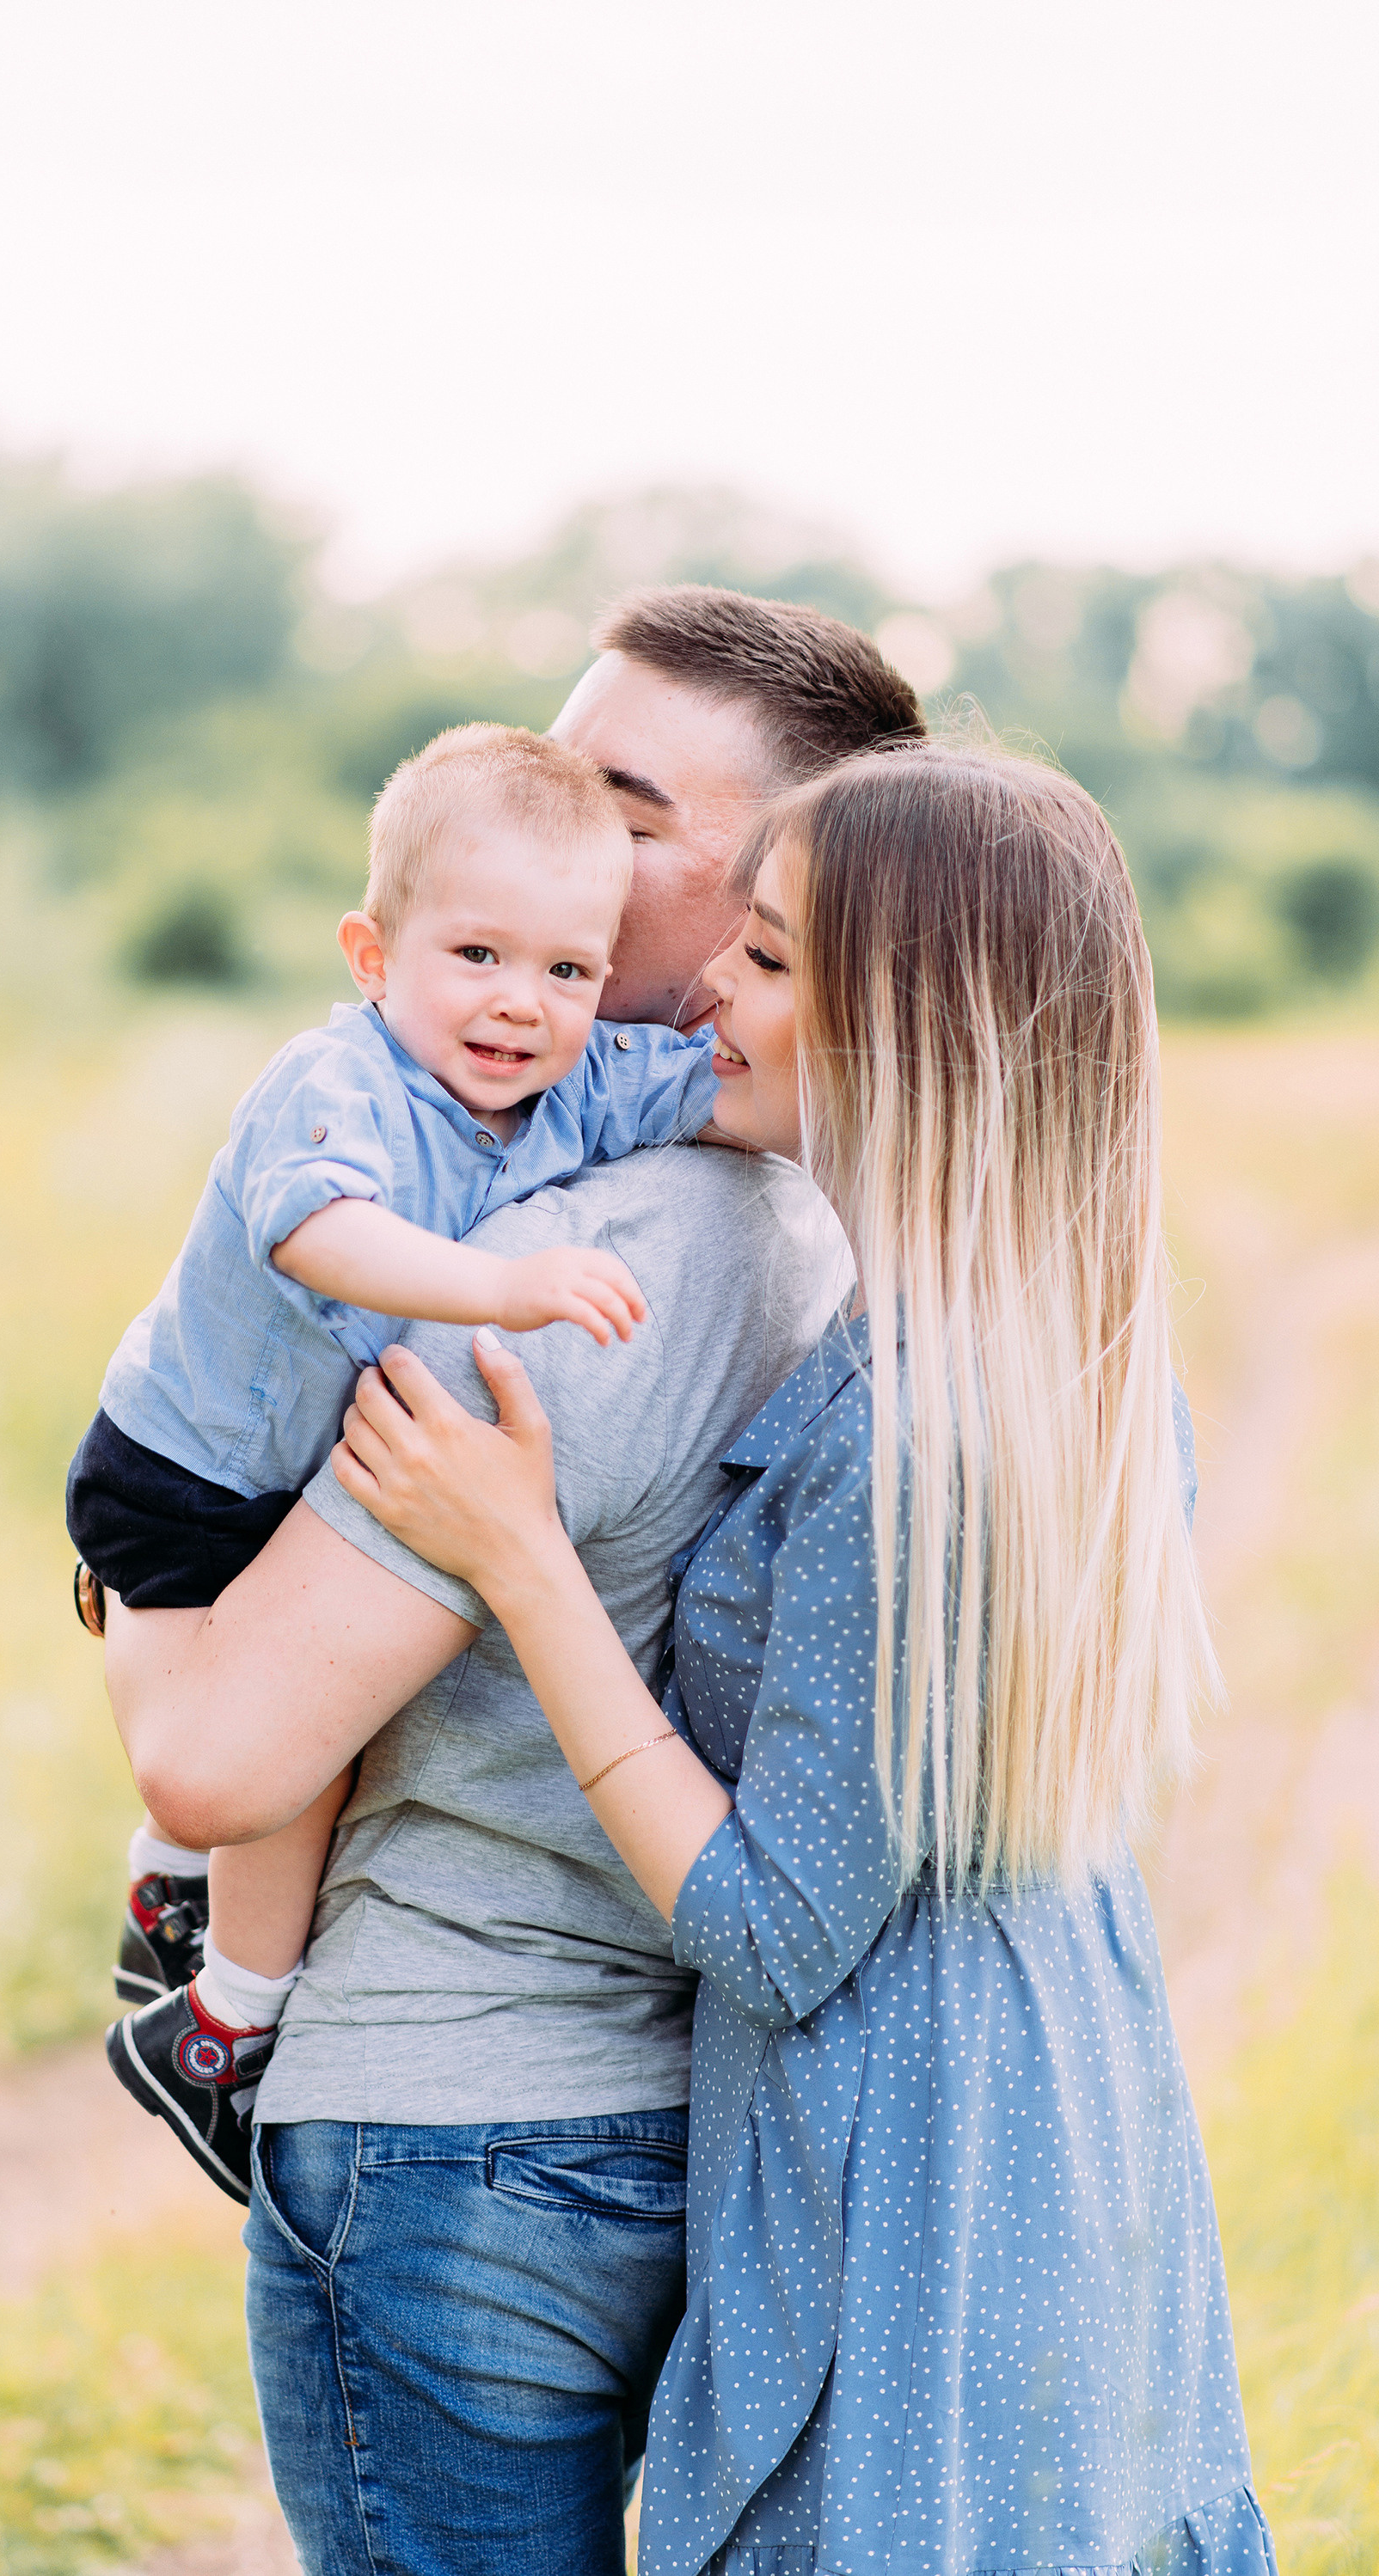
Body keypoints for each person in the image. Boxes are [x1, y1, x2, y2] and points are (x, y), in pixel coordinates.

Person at [329, 741, 1276, 2576]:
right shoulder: (1034, 1351)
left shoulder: (918, 1433)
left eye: (766, 962)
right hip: (1037, 2101)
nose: (706, 996)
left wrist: (528, 1566)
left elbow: (770, 1918)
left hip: (912, 2165)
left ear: (902, 1033)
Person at [101, 586, 924, 2576]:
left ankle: (207, 2003)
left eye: (627, 803)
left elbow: (214, 1756)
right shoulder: (820, 1208)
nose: (554, 810)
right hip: (678, 2113)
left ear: (784, 869)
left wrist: (123, 1554)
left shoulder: (583, 1274)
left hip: (444, 2129)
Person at [69, 723, 723, 2196]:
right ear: (374, 955)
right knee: (270, 1760)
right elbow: (317, 1229)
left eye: (568, 970)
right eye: (476, 955)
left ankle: (176, 1915)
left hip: (278, 1468)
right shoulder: (337, 1081)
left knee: (313, 1733)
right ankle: (224, 2027)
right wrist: (509, 1281)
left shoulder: (570, 1086)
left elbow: (706, 1087)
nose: (522, 1006)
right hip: (181, 1475)